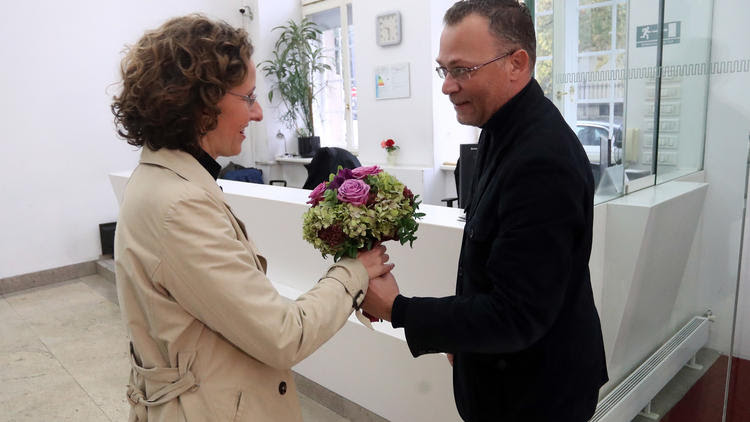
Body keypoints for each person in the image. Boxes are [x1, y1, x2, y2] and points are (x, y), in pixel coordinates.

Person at [111, 15, 393, 421]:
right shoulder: (180, 206)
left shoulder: (164, 181)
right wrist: (355, 273)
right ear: (201, 103)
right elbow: (283, 335)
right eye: (248, 98)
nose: (258, 113)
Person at [362, 1, 608, 421]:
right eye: (444, 70)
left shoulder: (541, 159)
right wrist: (464, 337)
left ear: (516, 63)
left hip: (538, 395)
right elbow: (495, 265)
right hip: (504, 375)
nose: (447, 86)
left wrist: (397, 309)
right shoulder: (498, 130)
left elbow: (517, 313)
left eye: (462, 70)